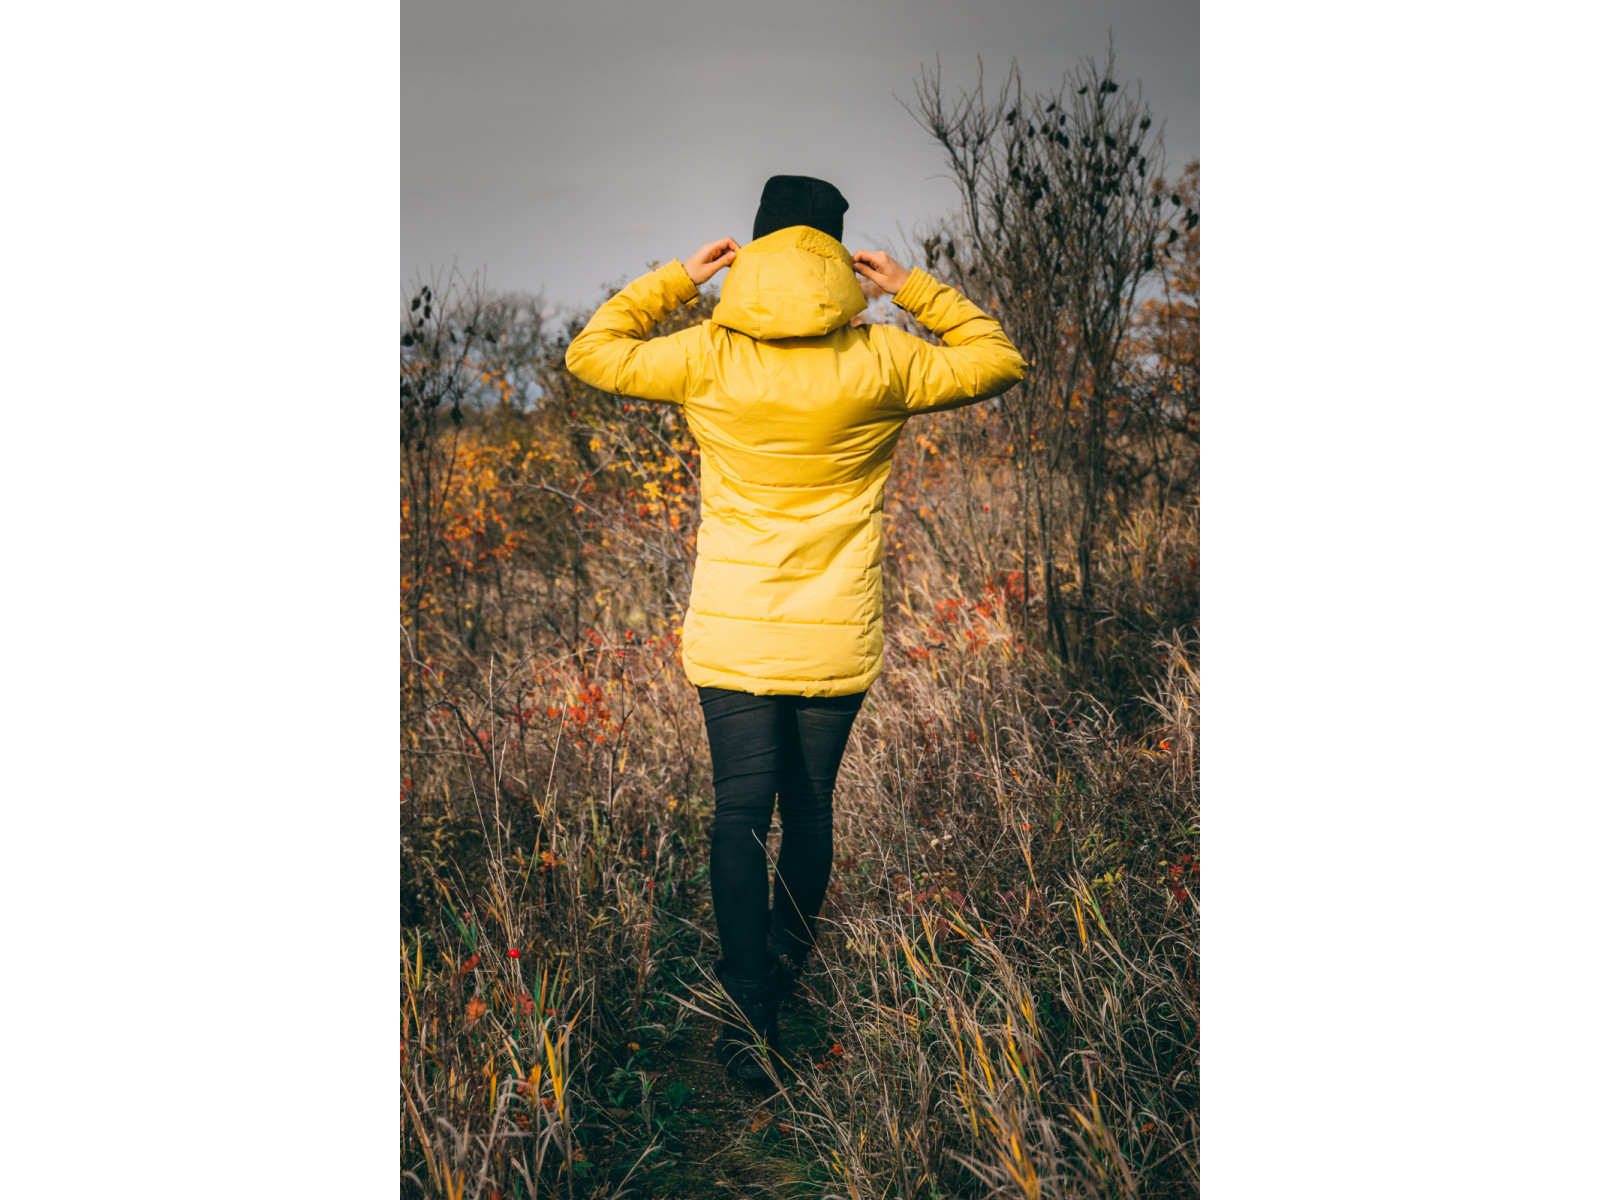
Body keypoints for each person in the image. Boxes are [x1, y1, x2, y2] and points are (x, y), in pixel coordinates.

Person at [565, 174, 1026, 1085]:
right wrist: (913, 288)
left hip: (733, 628)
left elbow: (593, 353)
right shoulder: (884, 358)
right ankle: (783, 968)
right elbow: (998, 359)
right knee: (809, 808)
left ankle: (746, 1019)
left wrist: (677, 281)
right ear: (838, 253)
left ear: (756, 246)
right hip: (834, 628)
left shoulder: (707, 354)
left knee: (740, 810)